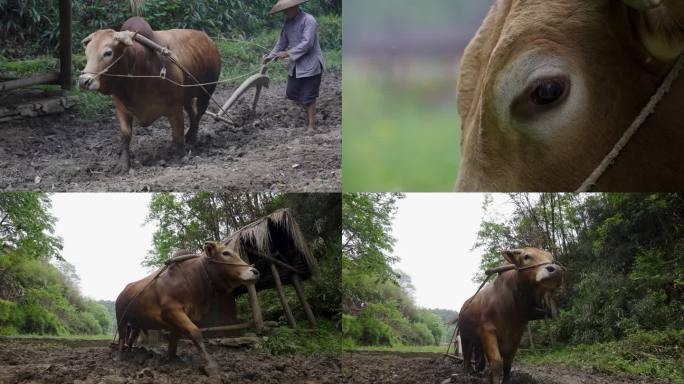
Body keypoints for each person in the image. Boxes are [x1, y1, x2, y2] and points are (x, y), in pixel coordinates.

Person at [263, 0, 325, 131]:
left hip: (311, 64)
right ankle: (307, 115)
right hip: (296, 64)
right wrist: (270, 57)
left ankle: (311, 126)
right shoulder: (288, 22)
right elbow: (281, 42)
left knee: (309, 96)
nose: (285, 12)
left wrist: (287, 53)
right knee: (291, 93)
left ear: (295, 7)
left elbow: (307, 43)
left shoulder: (309, 20)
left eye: (287, 9)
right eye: (283, 10)